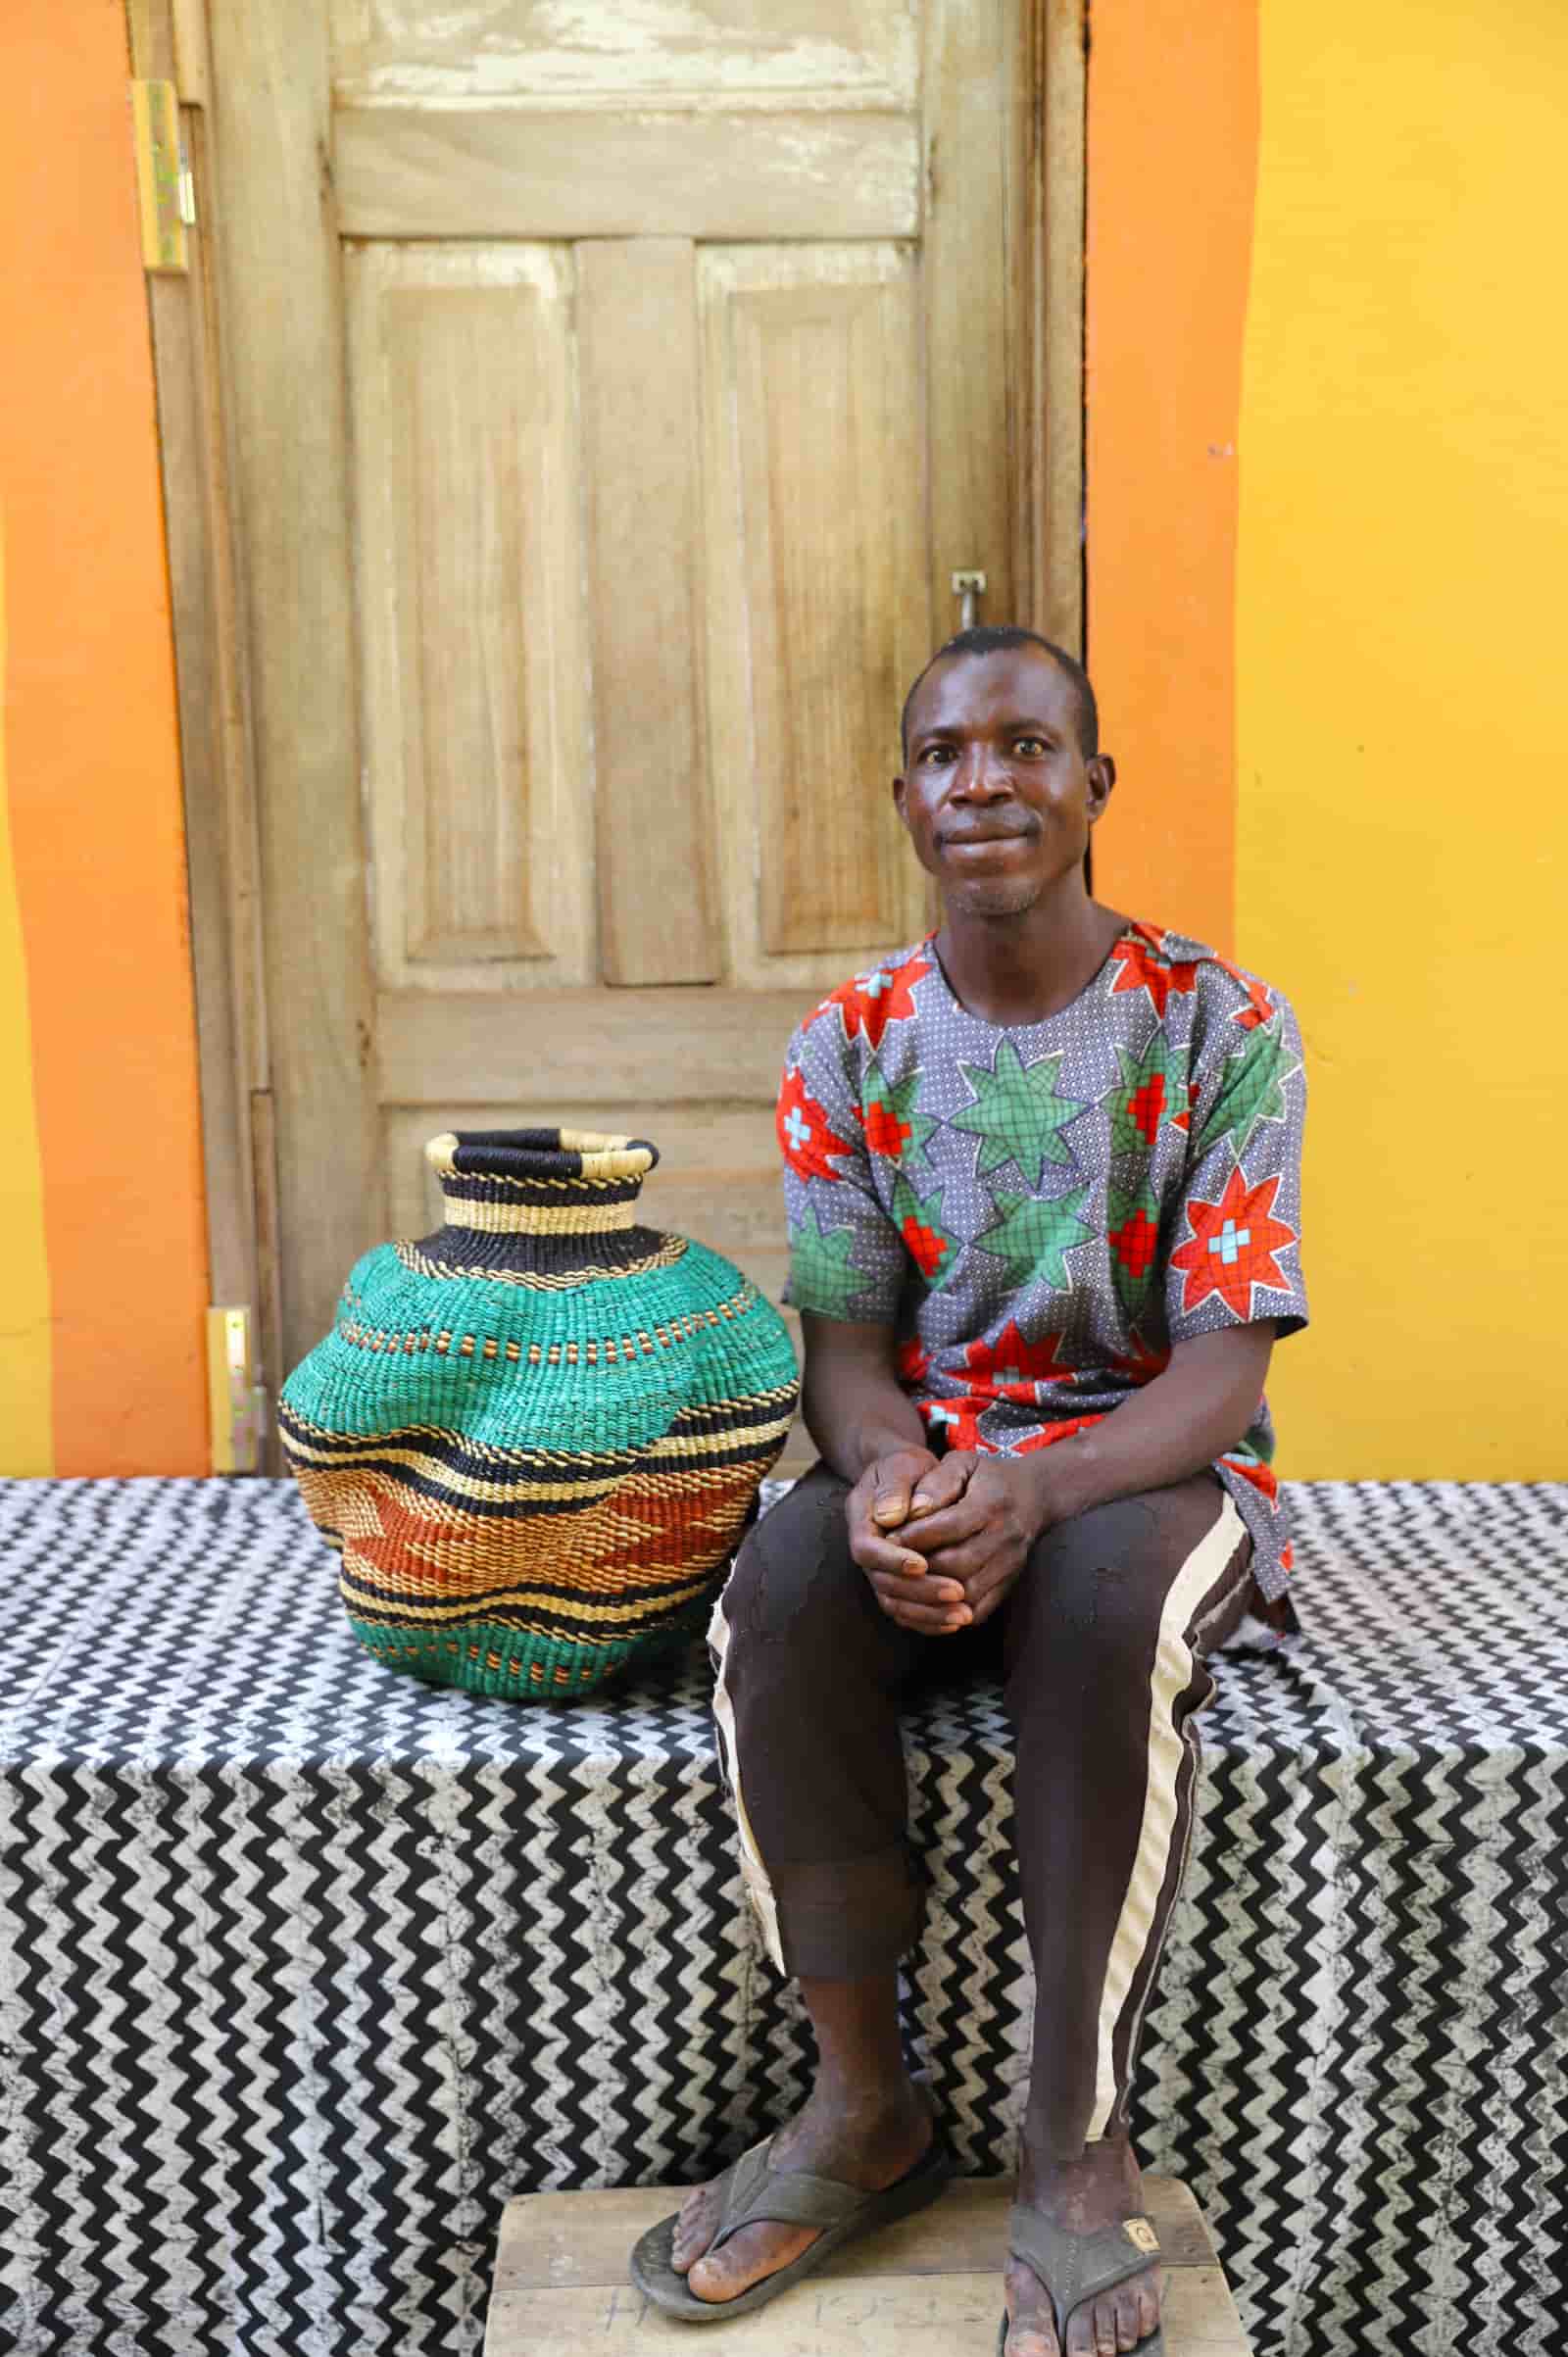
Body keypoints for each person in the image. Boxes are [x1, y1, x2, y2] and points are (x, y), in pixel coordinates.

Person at [630, 626, 1307, 2356]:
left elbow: (1224, 1372)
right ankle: (865, 2108)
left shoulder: (1220, 1023)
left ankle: (1075, 2144)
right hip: (937, 1458)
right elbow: (847, 1357)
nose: (983, 781)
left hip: (1151, 1459)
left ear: (1096, 784)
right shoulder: (849, 1042)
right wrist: (882, 1482)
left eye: (1024, 746)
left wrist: (1036, 1488)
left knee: (1099, 1611)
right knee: (780, 1591)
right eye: (944, 753)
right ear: (907, 798)